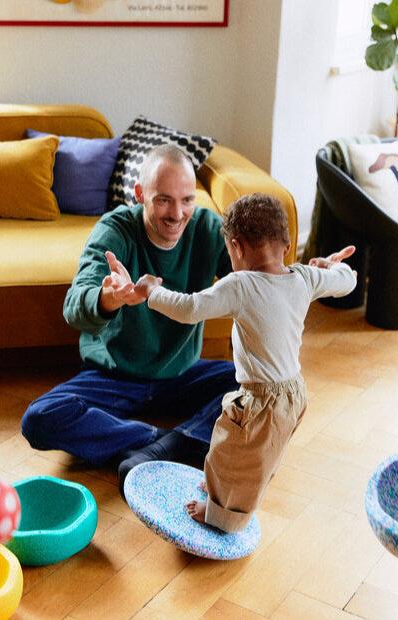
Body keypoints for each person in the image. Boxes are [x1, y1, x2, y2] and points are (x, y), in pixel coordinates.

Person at [20, 144, 353, 494]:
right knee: (41, 417)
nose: (177, 213)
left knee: (257, 391)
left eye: (187, 200)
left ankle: (165, 445)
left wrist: (308, 273)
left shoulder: (209, 229)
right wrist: (109, 298)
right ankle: (169, 442)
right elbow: (74, 306)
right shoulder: (115, 231)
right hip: (115, 376)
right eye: (163, 200)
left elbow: (261, 279)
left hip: (182, 374)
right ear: (140, 195)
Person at [134, 193, 357, 532]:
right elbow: (347, 282)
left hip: (261, 399)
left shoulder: (241, 284)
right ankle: (221, 487)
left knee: (235, 454)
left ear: (236, 247)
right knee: (249, 454)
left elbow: (190, 308)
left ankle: (224, 518)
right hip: (294, 393)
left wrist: (152, 291)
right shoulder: (303, 277)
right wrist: (334, 266)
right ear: (285, 243)